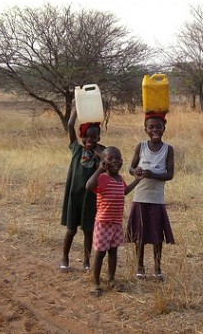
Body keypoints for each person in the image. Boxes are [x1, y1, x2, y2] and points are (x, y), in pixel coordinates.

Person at [86, 146, 143, 296]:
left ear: (122, 162)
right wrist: (99, 169)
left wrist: (137, 180)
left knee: (113, 252)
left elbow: (124, 191)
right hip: (103, 223)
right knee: (100, 254)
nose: (114, 161)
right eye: (110, 159)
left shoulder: (119, 179)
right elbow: (88, 186)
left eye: (117, 158)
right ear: (103, 162)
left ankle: (111, 279)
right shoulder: (102, 178)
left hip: (116, 223)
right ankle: (95, 282)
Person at [126, 113, 175, 281]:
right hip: (140, 197)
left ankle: (157, 267)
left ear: (164, 128)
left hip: (156, 199)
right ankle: (140, 266)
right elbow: (131, 168)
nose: (155, 130)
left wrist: (153, 174)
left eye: (158, 127)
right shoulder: (141, 147)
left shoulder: (168, 149)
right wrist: (136, 172)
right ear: (145, 129)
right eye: (151, 127)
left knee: (156, 237)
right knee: (139, 235)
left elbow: (170, 174)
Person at [60, 101, 105, 272]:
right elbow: (70, 125)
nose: (89, 140)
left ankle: (86, 261)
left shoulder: (102, 151)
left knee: (88, 230)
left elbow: (107, 163)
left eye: (93, 137)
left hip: (92, 197)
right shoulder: (77, 149)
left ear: (98, 138)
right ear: (81, 136)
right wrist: (76, 109)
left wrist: (99, 153)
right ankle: (65, 257)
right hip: (74, 195)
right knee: (71, 230)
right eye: (86, 136)